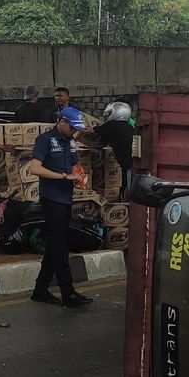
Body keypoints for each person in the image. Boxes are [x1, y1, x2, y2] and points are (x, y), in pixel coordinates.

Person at [28, 106, 92, 307]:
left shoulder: (70, 142)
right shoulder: (45, 140)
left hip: (66, 198)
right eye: (72, 127)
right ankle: (68, 292)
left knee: (55, 245)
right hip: (52, 198)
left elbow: (73, 165)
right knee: (61, 246)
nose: (74, 131)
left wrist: (78, 176)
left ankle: (40, 289)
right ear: (61, 122)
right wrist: (64, 176)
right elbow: (34, 168)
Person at [84, 101, 134, 200]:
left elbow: (90, 130)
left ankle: (128, 208)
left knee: (128, 191)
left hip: (128, 166)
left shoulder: (112, 125)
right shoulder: (129, 127)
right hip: (131, 163)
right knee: (126, 186)